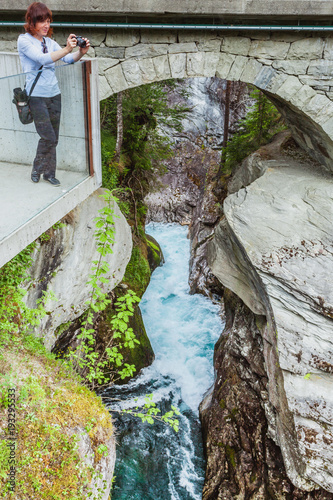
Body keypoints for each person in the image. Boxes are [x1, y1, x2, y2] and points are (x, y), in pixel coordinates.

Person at [17, 2, 90, 186]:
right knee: (47, 136)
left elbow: (68, 59)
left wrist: (80, 52)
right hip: (37, 97)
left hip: (54, 94)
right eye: (41, 21)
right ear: (31, 21)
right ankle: (37, 169)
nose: (46, 25)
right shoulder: (24, 40)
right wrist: (66, 48)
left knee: (54, 137)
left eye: (48, 21)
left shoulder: (49, 42)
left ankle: (49, 173)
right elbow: (41, 58)